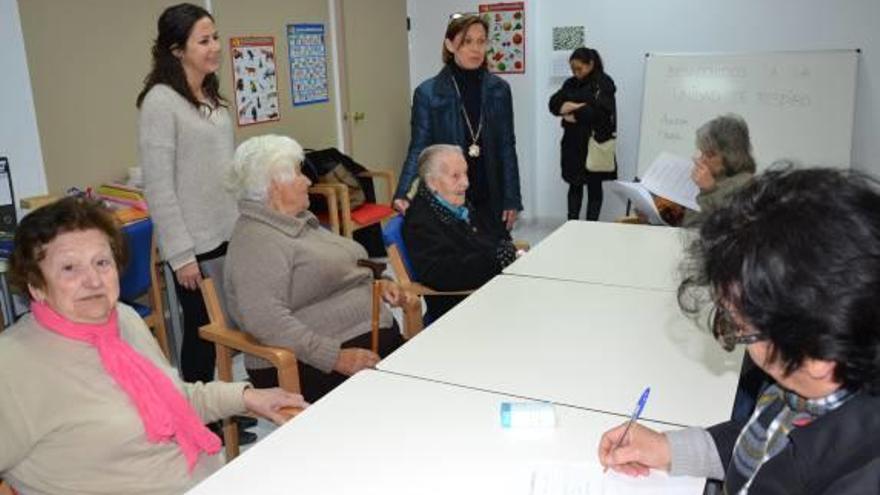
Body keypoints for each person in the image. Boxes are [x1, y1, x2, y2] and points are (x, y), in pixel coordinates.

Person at [598, 168, 880, 493]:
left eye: (741, 330)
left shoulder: (857, 479)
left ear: (817, 355)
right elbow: (761, 438)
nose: (740, 342)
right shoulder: (811, 388)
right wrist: (669, 449)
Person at [0, 197, 305, 494]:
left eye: (102, 263)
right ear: (36, 286)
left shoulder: (122, 319)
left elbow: (174, 398)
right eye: (70, 268)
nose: (93, 281)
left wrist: (248, 397)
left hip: (209, 480)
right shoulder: (12, 366)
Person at [224, 135, 414, 403]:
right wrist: (335, 357)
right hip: (308, 365)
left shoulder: (298, 221)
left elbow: (344, 265)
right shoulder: (257, 241)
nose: (309, 182)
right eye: (299, 174)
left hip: (364, 347)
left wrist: (379, 282)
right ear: (275, 186)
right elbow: (265, 320)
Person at [137, 4, 238, 389]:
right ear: (177, 49)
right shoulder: (161, 102)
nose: (214, 47)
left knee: (224, 328)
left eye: (215, 37)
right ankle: (197, 416)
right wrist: (180, 256)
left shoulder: (210, 95)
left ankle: (222, 403)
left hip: (227, 230)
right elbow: (159, 187)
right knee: (201, 332)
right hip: (194, 244)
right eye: (204, 41)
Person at [393, 14, 522, 234]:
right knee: (461, 261)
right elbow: (419, 147)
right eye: (467, 41)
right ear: (450, 45)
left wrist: (512, 198)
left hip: (490, 192)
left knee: (495, 256)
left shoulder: (499, 90)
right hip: (449, 195)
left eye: (481, 41)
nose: (476, 49)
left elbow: (507, 147)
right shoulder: (428, 93)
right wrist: (404, 191)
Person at [403, 144, 520, 323]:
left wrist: (506, 251)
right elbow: (439, 273)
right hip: (461, 309)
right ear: (431, 182)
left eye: (465, 173)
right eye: (455, 176)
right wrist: (497, 258)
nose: (465, 183)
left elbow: (494, 235)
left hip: (490, 291)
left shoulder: (456, 204)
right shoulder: (421, 221)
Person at [548, 47, 617, 220]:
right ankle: (571, 224)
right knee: (574, 186)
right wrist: (574, 108)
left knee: (594, 188)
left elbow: (599, 112)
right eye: (573, 69)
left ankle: (591, 227)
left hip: (594, 144)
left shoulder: (604, 82)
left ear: (591, 64)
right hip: (573, 146)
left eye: (579, 69)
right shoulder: (570, 83)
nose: (576, 73)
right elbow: (553, 104)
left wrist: (572, 111)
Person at [681, 113, 756, 226]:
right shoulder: (715, 177)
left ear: (730, 155)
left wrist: (710, 190)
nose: (702, 160)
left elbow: (720, 225)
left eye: (710, 154)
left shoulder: (747, 183)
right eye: (702, 153)